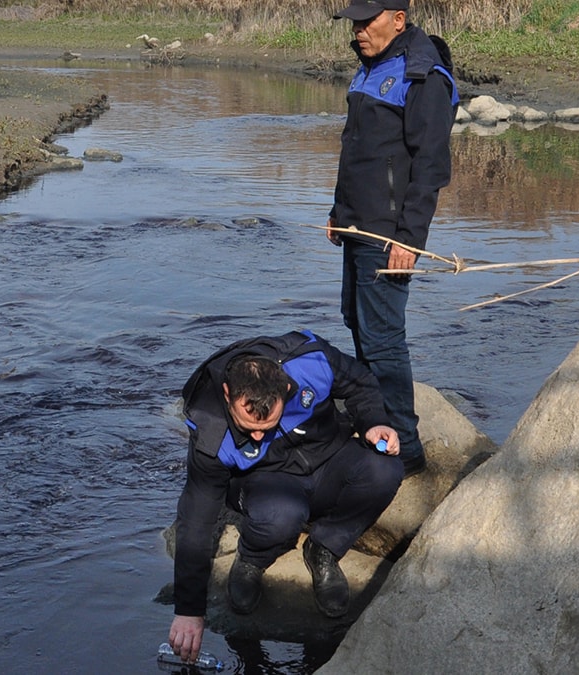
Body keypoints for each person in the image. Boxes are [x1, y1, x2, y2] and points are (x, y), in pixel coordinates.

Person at [165, 330, 404, 664]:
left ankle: (324, 547)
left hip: (329, 457)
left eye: (269, 423)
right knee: (280, 514)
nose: (259, 434)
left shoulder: (309, 361)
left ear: (286, 388)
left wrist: (374, 422)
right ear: (227, 393)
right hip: (265, 481)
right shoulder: (210, 426)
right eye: (249, 426)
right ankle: (252, 559)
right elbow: (197, 515)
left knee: (385, 471)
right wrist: (189, 610)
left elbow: (361, 382)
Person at [325, 0, 459, 478]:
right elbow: (357, 150)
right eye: (354, 23)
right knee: (356, 322)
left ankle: (405, 446)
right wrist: (339, 213)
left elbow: (430, 168)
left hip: (388, 234)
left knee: (382, 339)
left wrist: (410, 238)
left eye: (367, 22)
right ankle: (374, 421)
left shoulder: (424, 75)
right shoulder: (370, 69)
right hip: (357, 225)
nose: (358, 31)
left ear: (398, 19)